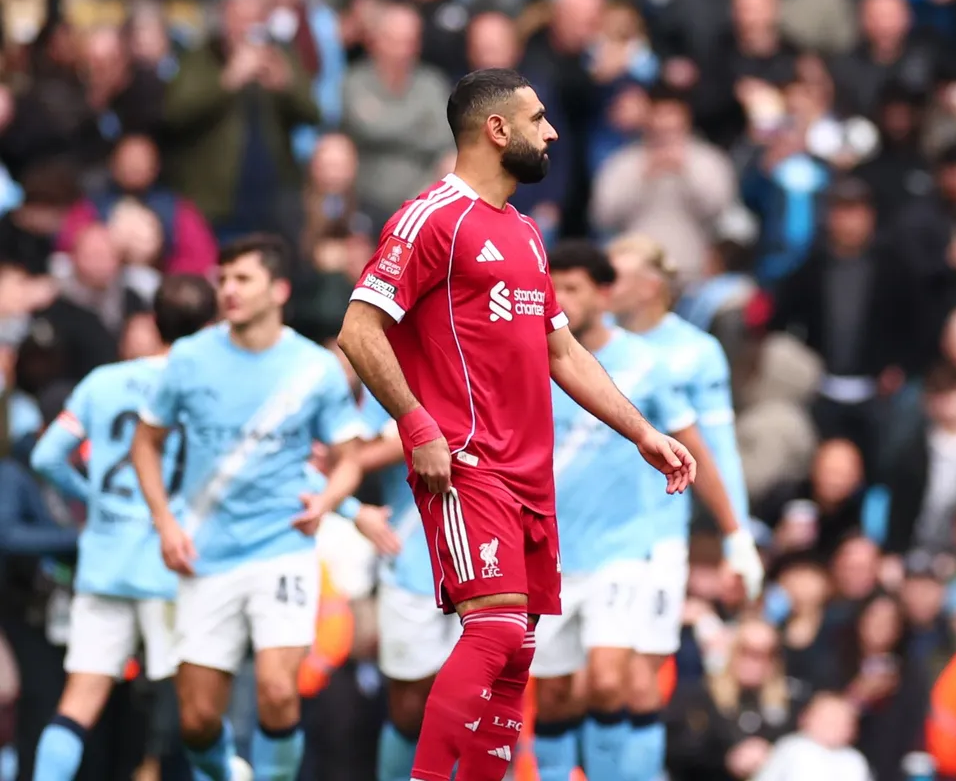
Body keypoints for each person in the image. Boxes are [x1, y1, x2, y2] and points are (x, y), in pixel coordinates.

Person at [336, 67, 697, 781]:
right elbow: (358, 329)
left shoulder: (527, 235)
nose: (552, 131)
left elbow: (561, 350)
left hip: (532, 474)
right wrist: (418, 426)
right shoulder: (430, 217)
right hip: (468, 462)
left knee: (516, 656)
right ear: (496, 130)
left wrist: (643, 432)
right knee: (495, 629)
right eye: (537, 119)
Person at [130, 236, 372, 781]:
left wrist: (329, 498)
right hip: (204, 553)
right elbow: (145, 443)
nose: (228, 291)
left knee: (278, 692)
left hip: (281, 548)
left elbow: (350, 458)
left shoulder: (314, 368)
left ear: (278, 290)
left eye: (242, 280)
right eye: (223, 280)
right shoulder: (189, 358)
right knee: (195, 721)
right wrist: (164, 521)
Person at [529, 240, 712, 780]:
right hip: (552, 551)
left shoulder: (647, 365)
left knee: (609, 680)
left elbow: (693, 443)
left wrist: (731, 528)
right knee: (557, 693)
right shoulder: (528, 356)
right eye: (552, 287)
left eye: (573, 288)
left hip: (623, 546)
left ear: (604, 294)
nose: (559, 298)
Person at [27, 275, 220, 781]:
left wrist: (91, 496)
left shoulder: (103, 382)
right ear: (210, 328)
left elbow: (48, 456)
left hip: (105, 561)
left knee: (78, 704)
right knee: (196, 712)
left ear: (154, 322)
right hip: (172, 565)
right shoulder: (210, 391)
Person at [607, 232, 766, 779]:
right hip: (587, 528)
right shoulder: (583, 346)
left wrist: (736, 535)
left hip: (658, 530)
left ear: (652, 287)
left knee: (637, 675)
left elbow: (715, 448)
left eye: (617, 277)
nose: (604, 288)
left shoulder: (694, 353)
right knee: (580, 681)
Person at [356, 387, 455, 781]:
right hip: (413, 561)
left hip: (493, 562)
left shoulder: (504, 352)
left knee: (478, 706)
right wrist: (425, 430)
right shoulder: (383, 371)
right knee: (410, 709)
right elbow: (347, 456)